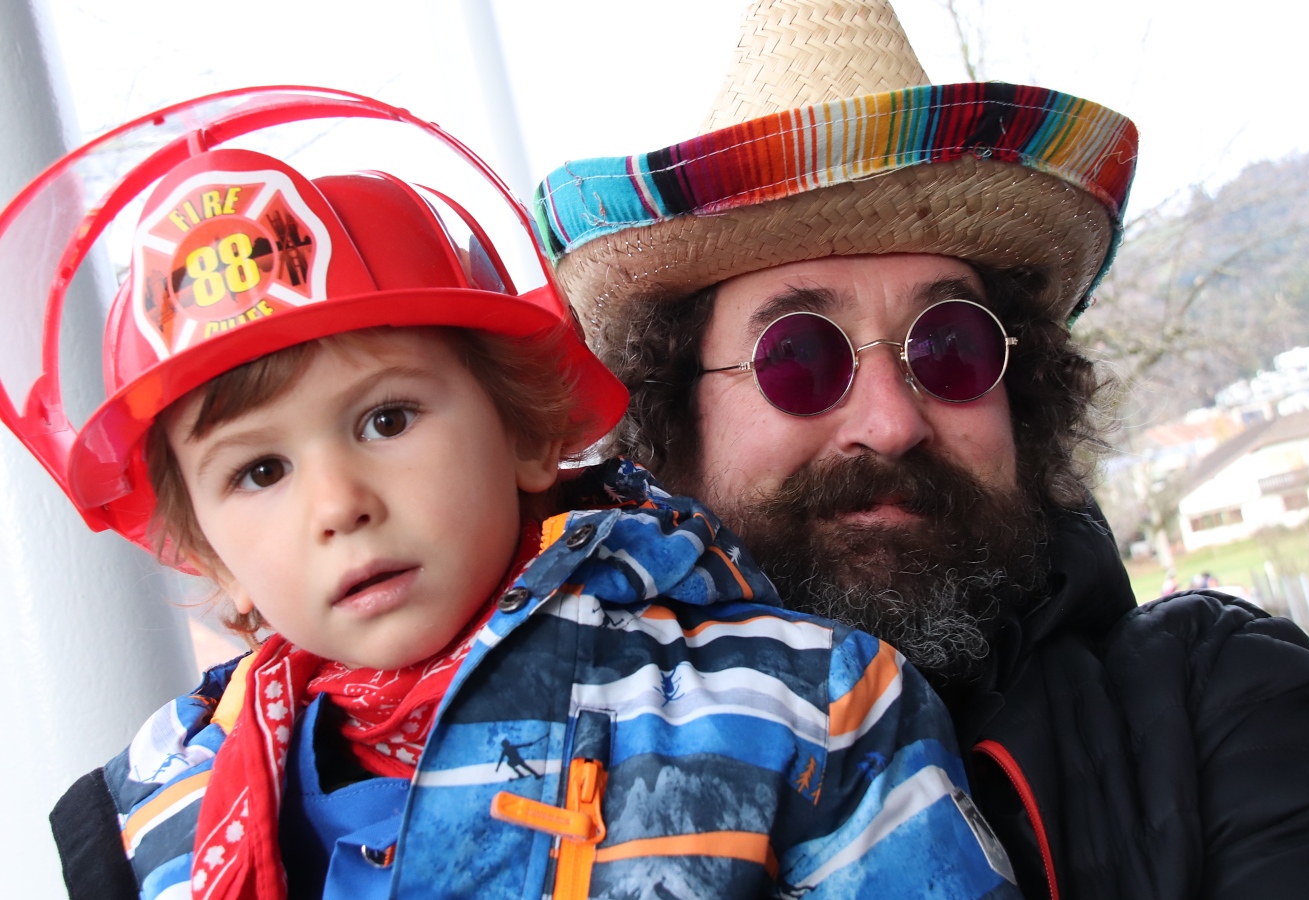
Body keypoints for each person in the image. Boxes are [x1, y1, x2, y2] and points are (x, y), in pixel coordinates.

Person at [6, 91, 1021, 899]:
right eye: (259, 471)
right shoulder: (159, 816)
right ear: (210, 552)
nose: (338, 503)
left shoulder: (794, 709)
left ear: (528, 433)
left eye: (386, 420)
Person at [533, 1, 1309, 897]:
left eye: (950, 347)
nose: (892, 423)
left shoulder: (1223, 701)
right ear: (673, 415)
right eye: (799, 357)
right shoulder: (540, 775)